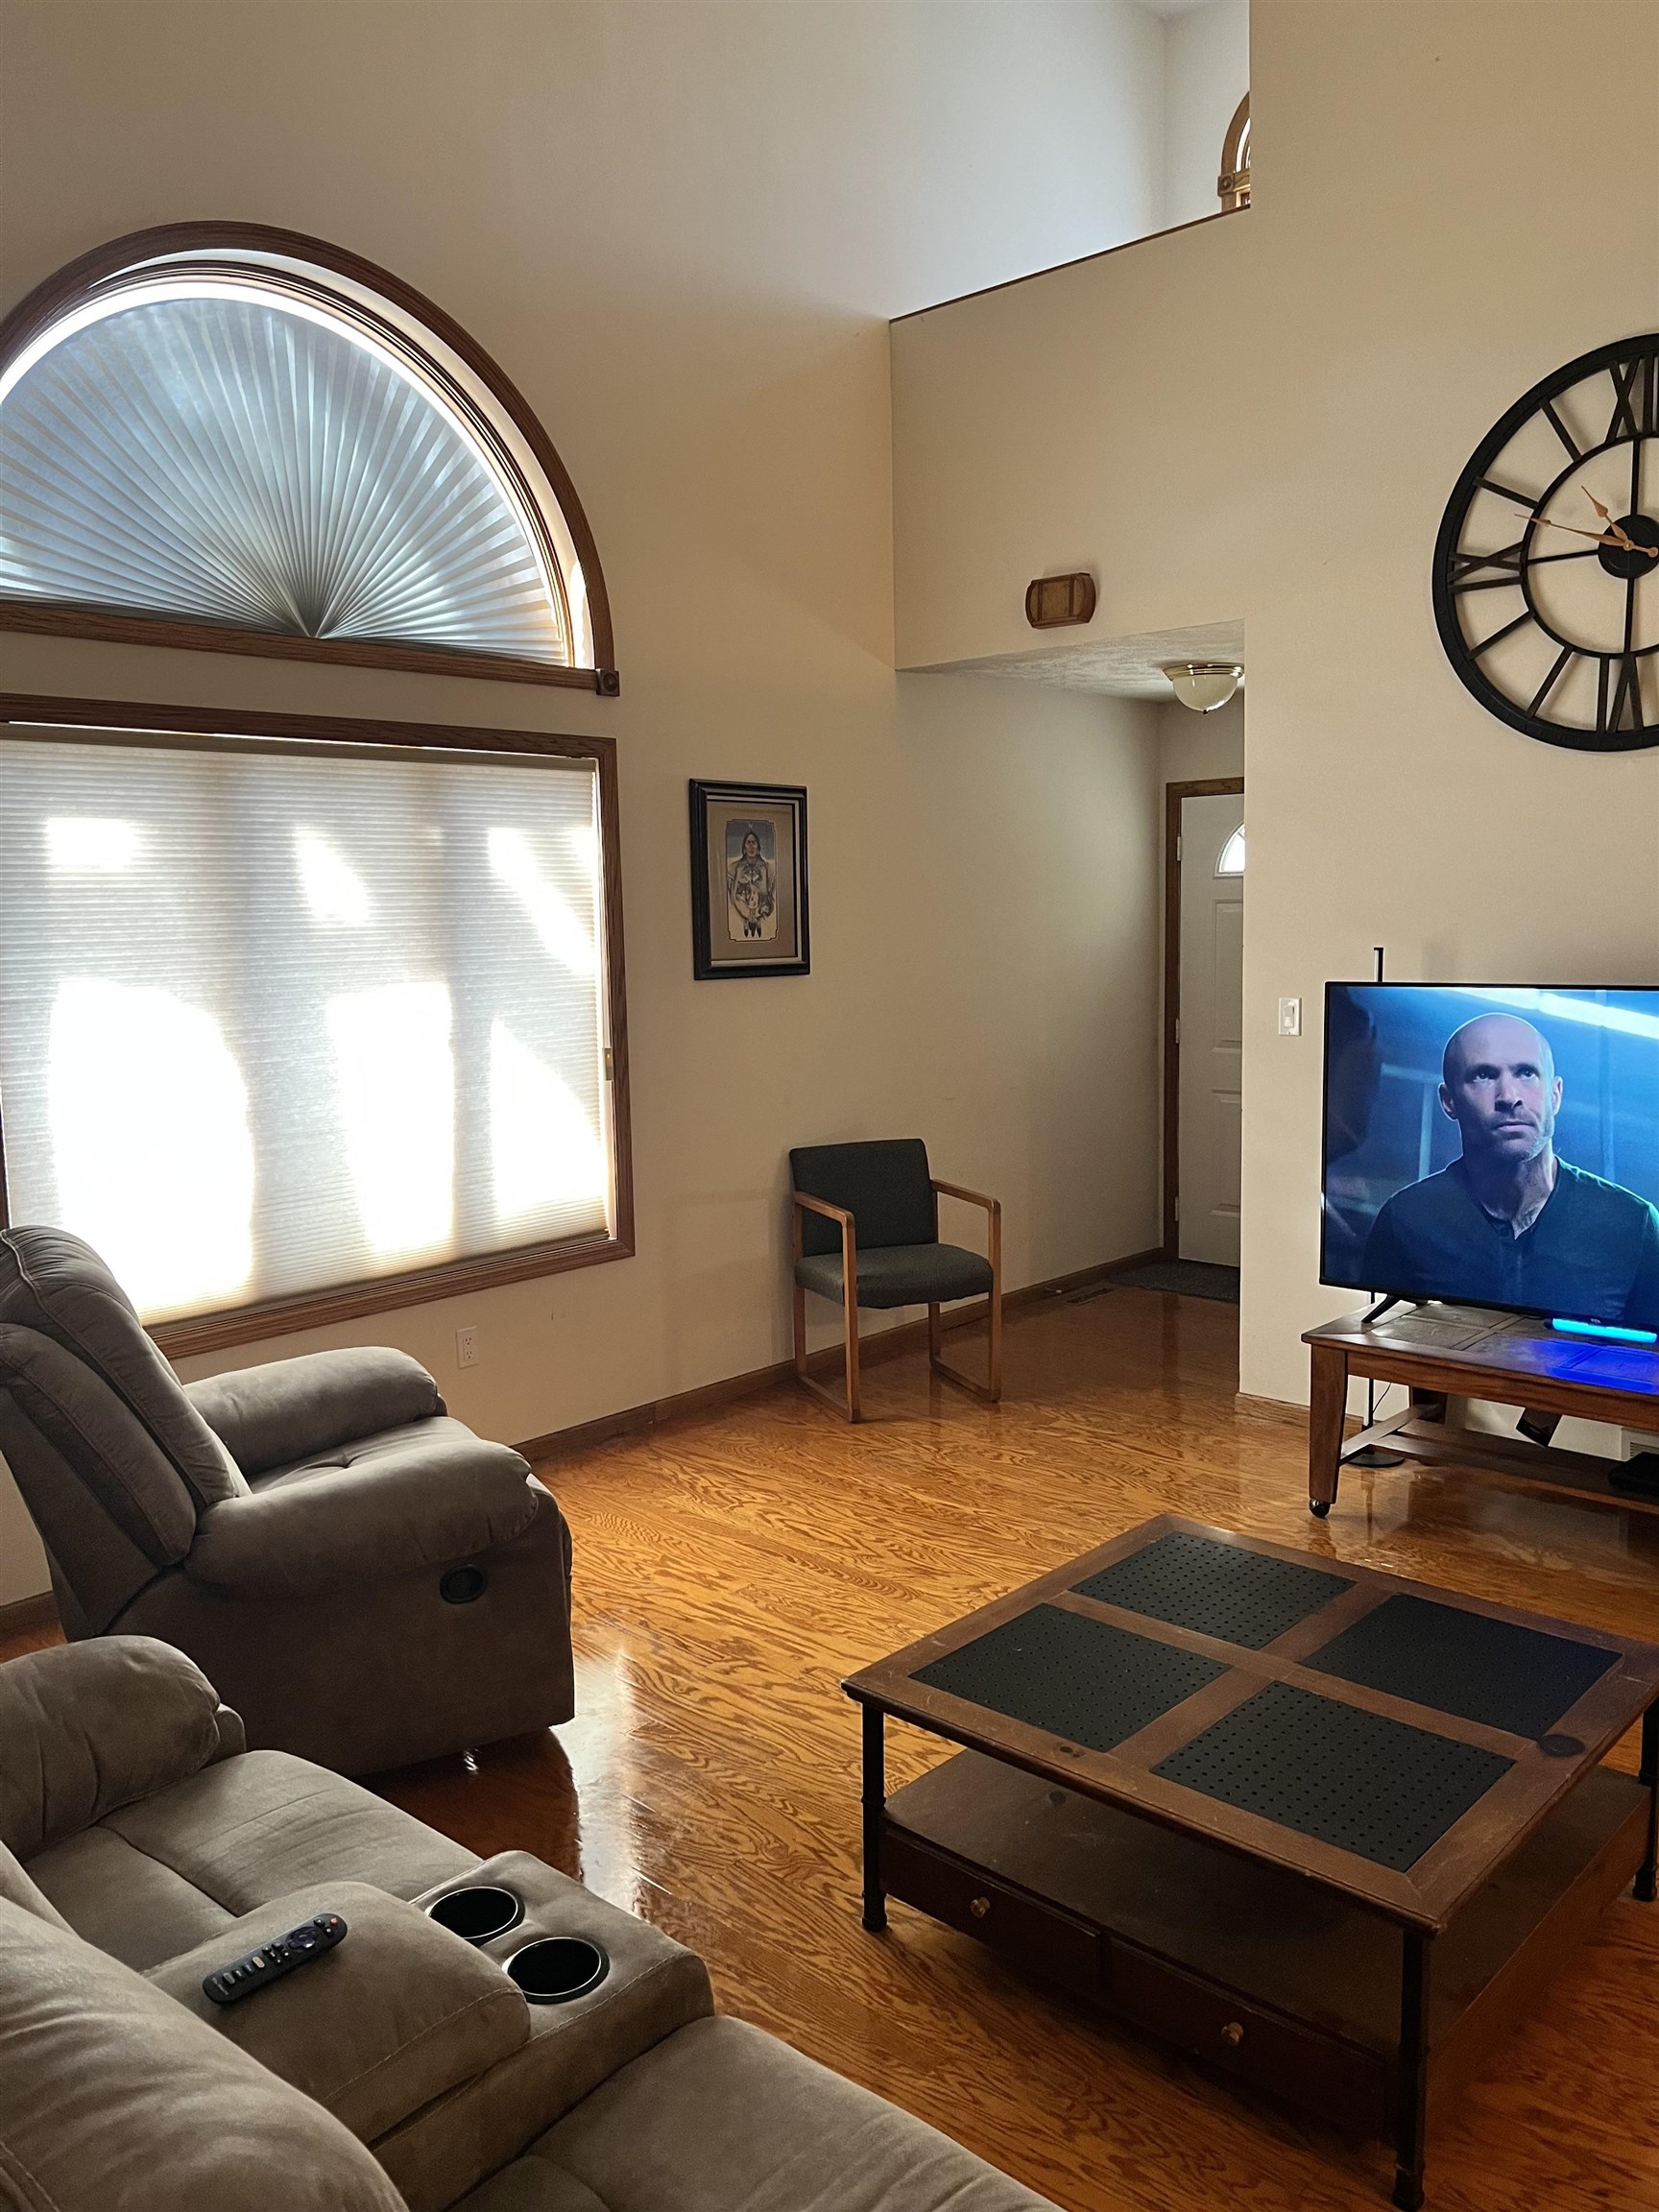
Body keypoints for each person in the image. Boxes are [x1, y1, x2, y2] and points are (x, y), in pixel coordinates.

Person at [1361, 1012, 1659, 1329]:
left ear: (1555, 1094)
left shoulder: (1633, 1223)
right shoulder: (1405, 1220)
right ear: (1449, 1101)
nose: (1509, 1097)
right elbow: (1384, 1338)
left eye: (1526, 1073)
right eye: (1483, 1075)